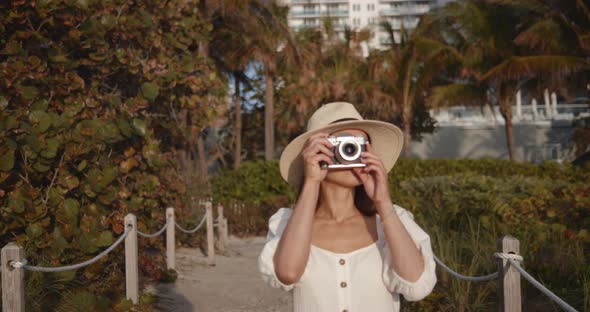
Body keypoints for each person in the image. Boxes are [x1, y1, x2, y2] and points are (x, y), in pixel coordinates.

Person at [258, 102, 437, 312]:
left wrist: (383, 201)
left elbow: (416, 286)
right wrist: (311, 181)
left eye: (359, 145)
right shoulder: (289, 224)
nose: (351, 153)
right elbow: (287, 273)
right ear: (316, 153)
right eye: (341, 144)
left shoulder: (391, 221)